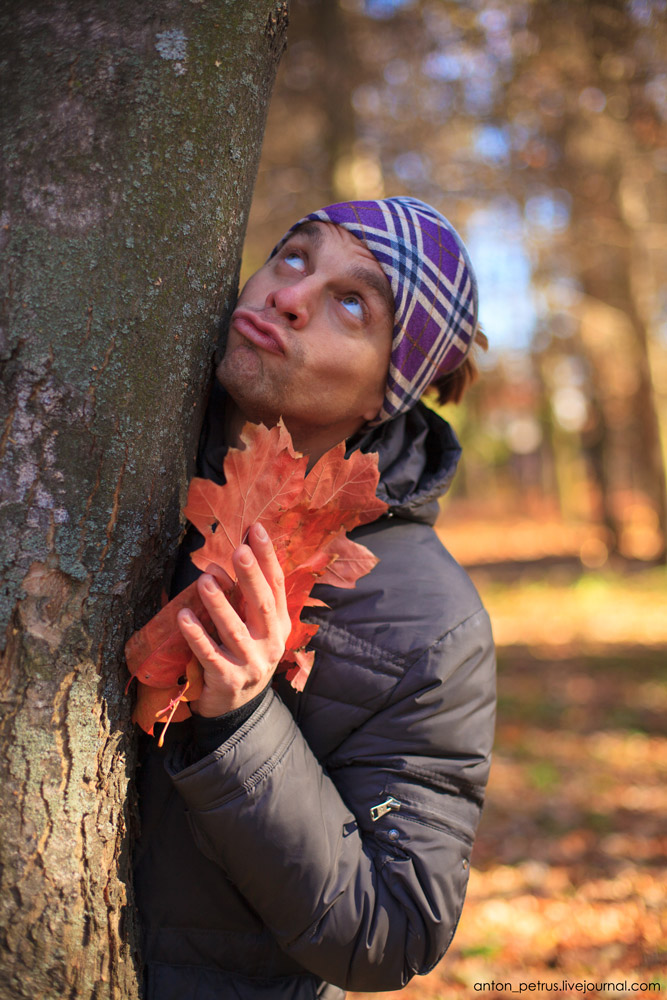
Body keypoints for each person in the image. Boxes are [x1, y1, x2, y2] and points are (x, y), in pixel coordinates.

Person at [134, 197, 496, 1000]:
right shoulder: (91, 460)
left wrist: (243, 721)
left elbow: (392, 933)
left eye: (351, 303)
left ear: (385, 395)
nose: (288, 296)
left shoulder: (430, 624)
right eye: (294, 257)